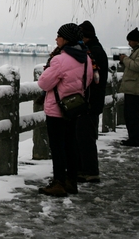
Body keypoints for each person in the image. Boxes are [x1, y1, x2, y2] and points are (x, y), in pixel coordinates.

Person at [37, 23, 93, 197]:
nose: (56, 39)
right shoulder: (86, 59)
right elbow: (89, 79)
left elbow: (44, 83)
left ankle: (58, 182)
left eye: (59, 36)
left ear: (66, 39)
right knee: (70, 144)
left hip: (57, 109)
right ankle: (71, 181)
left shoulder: (60, 60)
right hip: (74, 107)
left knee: (57, 146)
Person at [77, 20, 108, 183]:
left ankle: (90, 170)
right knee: (85, 136)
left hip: (90, 101)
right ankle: (85, 168)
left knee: (86, 137)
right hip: (92, 101)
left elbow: (91, 78)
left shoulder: (93, 52)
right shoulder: (95, 50)